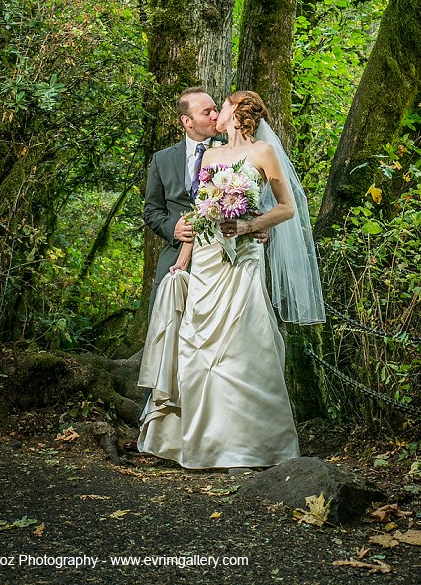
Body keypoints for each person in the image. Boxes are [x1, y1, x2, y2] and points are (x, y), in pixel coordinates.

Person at [137, 90, 325, 470]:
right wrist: (183, 259)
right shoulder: (210, 155)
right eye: (208, 108)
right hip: (206, 261)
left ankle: (250, 445)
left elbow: (286, 207)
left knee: (245, 345)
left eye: (220, 106)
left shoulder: (262, 153)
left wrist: (251, 224)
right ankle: (199, 441)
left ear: (237, 112)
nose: (215, 112)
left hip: (242, 260)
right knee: (197, 347)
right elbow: (200, 214)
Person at [143, 87, 221, 317]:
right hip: (176, 254)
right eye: (207, 112)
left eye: (215, 109)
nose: (215, 116)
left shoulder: (230, 151)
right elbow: (152, 211)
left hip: (219, 254)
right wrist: (173, 229)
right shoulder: (162, 159)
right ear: (187, 121)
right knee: (166, 319)